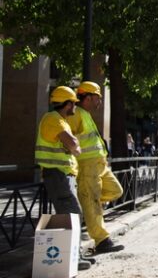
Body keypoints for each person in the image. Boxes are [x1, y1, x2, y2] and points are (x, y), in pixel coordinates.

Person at [35, 86, 92, 270]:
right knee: (72, 214)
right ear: (67, 104)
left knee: (71, 215)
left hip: (61, 175)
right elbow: (73, 143)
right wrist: (73, 147)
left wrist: (73, 147)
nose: (75, 106)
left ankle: (73, 256)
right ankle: (74, 258)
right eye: (73, 103)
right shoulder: (53, 119)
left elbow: (71, 145)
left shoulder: (58, 120)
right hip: (57, 175)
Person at [66, 81, 124, 254]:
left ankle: (88, 206)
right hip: (87, 166)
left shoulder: (85, 114)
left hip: (99, 166)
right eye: (98, 98)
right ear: (88, 98)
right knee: (92, 202)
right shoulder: (76, 114)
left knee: (116, 191)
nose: (99, 102)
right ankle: (102, 241)